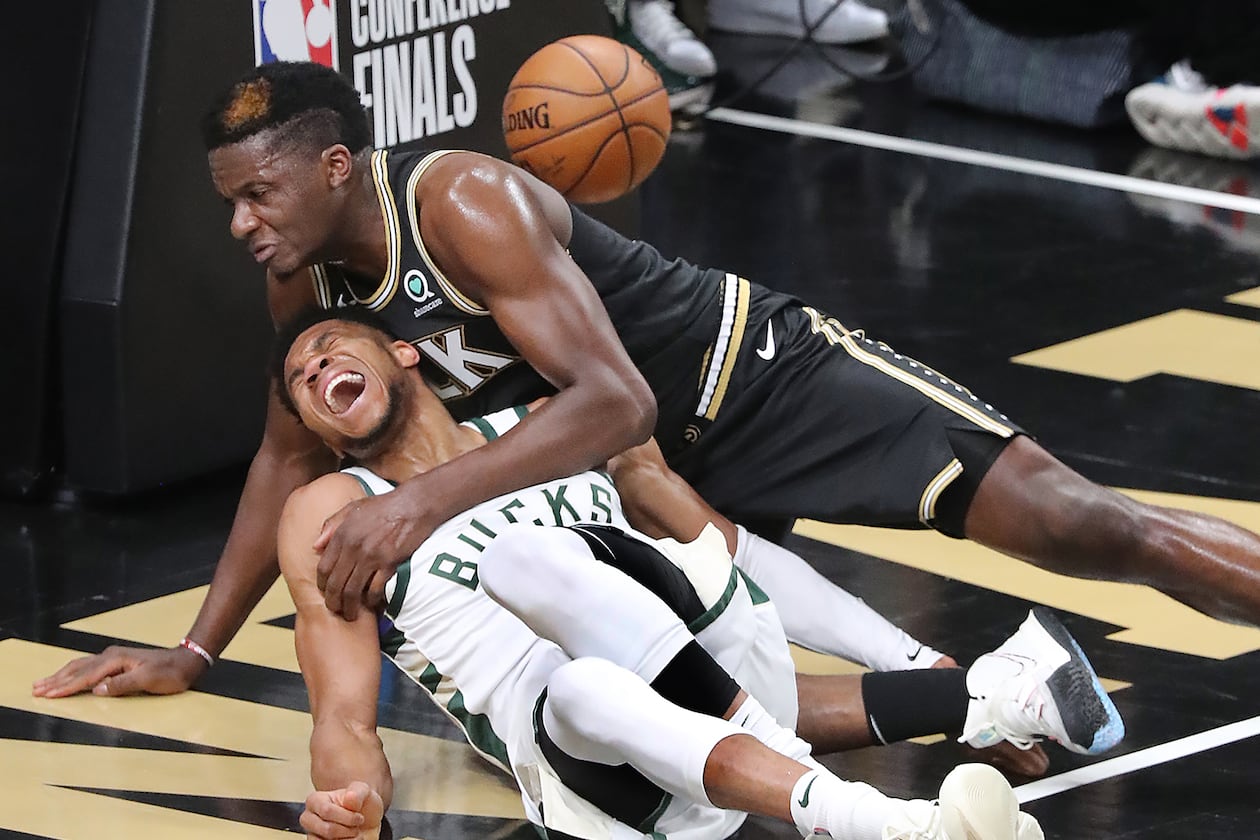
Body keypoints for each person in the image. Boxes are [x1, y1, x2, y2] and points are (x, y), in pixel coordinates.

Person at [35, 58, 1260, 701]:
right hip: (638, 487)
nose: (243, 224)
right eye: (230, 204)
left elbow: (614, 396)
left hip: (755, 388)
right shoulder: (306, 285)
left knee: (1078, 525)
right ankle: (974, 709)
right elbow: (282, 461)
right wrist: (197, 650)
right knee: (704, 714)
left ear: (340, 166)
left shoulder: (460, 201)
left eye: (258, 195)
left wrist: (412, 503)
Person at [270, 307, 1091, 838]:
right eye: (300, 382)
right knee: (581, 671)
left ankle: (941, 755)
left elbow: (730, 555)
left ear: (404, 353)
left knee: (645, 589)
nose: (313, 372)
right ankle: (969, 719)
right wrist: (357, 812)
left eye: (326, 350)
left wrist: (908, 657)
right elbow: (342, 716)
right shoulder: (332, 512)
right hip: (592, 771)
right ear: (315, 424)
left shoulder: (557, 423)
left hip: (712, 690)